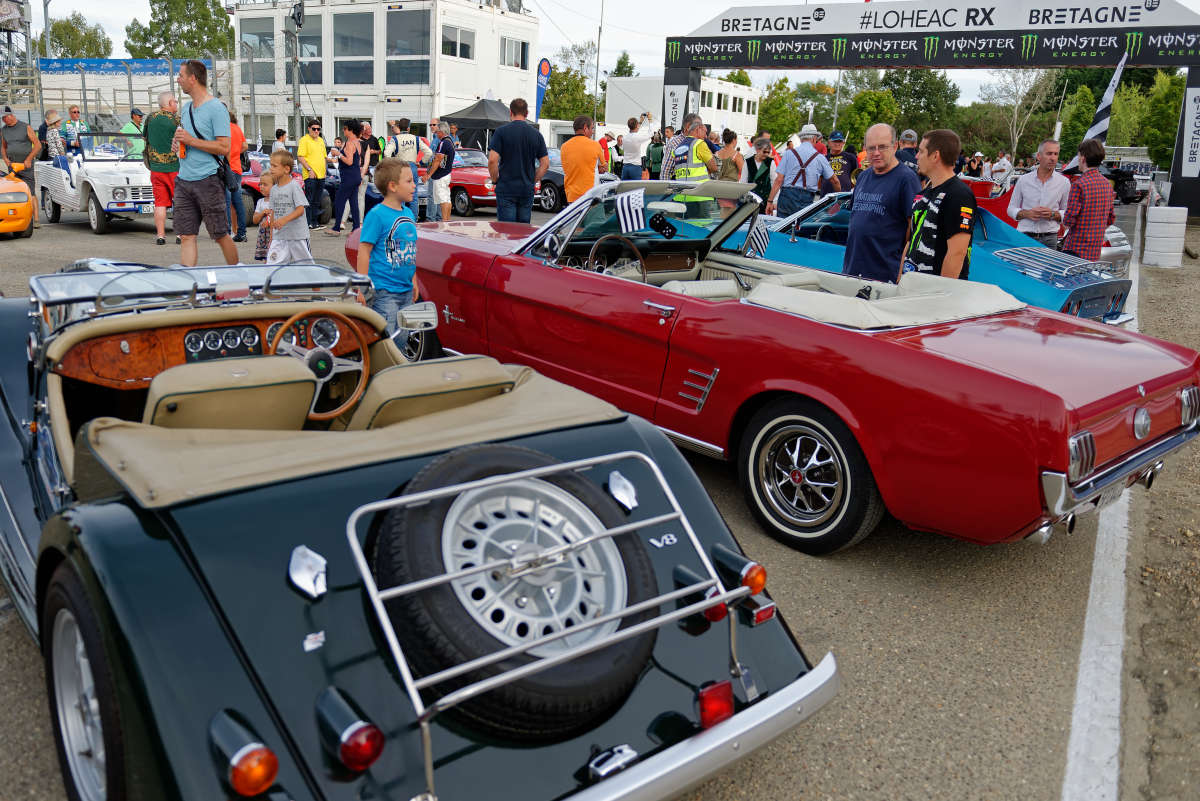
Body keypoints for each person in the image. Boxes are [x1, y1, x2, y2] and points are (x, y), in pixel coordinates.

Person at [172, 60, 239, 267]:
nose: (178, 79)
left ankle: (238, 275)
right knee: (186, 235)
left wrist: (191, 141)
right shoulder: (186, 109)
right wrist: (177, 143)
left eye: (181, 75)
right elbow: (186, 137)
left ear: (193, 78)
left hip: (208, 180)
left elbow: (224, 148)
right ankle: (186, 285)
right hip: (184, 180)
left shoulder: (216, 108)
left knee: (220, 234)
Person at [842, 124, 922, 283]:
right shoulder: (863, 177)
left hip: (884, 277)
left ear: (895, 146)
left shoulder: (907, 180)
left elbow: (913, 231)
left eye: (883, 147)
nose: (876, 153)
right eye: (871, 148)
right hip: (852, 272)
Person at [904, 129, 976, 279]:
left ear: (935, 155)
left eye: (921, 152)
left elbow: (957, 253)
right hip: (911, 287)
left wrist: (939, 294)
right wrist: (900, 280)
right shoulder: (924, 192)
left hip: (935, 294)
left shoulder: (959, 195)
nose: (916, 156)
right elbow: (911, 242)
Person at [357, 159, 418, 335]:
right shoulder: (377, 215)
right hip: (384, 292)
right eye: (409, 181)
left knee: (404, 336)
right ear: (392, 186)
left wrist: (414, 280)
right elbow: (364, 252)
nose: (415, 185)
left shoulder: (408, 214)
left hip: (406, 290)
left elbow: (411, 251)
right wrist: (361, 288)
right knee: (386, 338)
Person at [487, 98, 549, 223]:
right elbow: (545, 164)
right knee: (523, 232)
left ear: (510, 112)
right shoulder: (536, 134)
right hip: (526, 189)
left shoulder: (501, 132)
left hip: (506, 188)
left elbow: (492, 160)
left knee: (507, 230)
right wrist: (533, 180)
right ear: (526, 113)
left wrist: (495, 180)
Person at [1007, 139, 1070, 247]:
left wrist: (1053, 214)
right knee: (1021, 265)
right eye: (1049, 153)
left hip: (1050, 238)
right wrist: (1027, 214)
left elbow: (1068, 212)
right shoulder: (1024, 180)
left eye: (1056, 154)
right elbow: (1011, 209)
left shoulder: (1064, 182)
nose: (1053, 158)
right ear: (1039, 156)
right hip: (1024, 236)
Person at [1061, 138, 1115, 262]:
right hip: (1094, 250)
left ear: (1083, 158)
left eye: (1078, 156)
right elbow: (1110, 218)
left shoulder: (1079, 185)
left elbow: (1069, 220)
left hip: (1076, 248)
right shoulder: (1107, 184)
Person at [767, 123, 836, 216]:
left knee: (782, 228)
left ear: (800, 139)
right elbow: (835, 181)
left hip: (787, 196)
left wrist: (770, 201)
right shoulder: (820, 158)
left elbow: (779, 180)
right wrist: (838, 198)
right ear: (815, 139)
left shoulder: (788, 154)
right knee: (801, 228)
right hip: (806, 197)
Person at [143, 91, 180, 245]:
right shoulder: (176, 120)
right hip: (174, 167)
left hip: (155, 168)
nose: (177, 104)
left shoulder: (150, 117)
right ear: (170, 103)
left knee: (160, 203)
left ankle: (160, 235)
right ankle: (179, 234)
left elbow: (145, 137)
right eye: (175, 101)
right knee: (179, 201)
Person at [263, 150, 312, 263]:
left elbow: (300, 209)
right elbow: (272, 213)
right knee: (272, 267)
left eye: (274, 166)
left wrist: (284, 220)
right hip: (279, 237)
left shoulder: (294, 186)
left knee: (306, 268)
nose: (271, 169)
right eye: (271, 165)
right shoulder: (274, 190)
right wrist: (271, 237)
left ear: (286, 169)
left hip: (297, 236)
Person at [385, 118, 432, 221]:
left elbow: (386, 154)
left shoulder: (395, 139)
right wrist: (421, 162)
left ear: (399, 127)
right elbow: (429, 152)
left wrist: (394, 163)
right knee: (414, 195)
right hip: (412, 166)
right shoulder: (416, 138)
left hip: (401, 166)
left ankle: (401, 218)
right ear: (408, 128)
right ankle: (413, 220)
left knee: (400, 194)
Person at [2, 105, 41, 228]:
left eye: (5, 117)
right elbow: (3, 147)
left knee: (31, 191)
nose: (3, 120)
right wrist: (6, 160)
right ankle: (14, 217)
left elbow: (38, 145)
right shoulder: (4, 130)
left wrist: (29, 159)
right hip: (12, 166)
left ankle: (36, 220)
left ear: (11, 115)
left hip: (26, 166)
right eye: (2, 118)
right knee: (12, 192)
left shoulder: (25, 127)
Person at [325, 119, 363, 236]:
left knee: (339, 200)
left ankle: (336, 228)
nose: (343, 130)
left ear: (350, 130)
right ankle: (356, 229)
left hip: (348, 177)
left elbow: (349, 161)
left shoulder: (350, 143)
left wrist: (338, 154)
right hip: (355, 175)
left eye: (345, 128)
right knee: (353, 203)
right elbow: (358, 160)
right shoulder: (357, 142)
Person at [560, 115, 605, 203]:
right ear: (585, 128)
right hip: (590, 195)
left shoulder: (564, 146)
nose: (592, 132)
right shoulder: (595, 145)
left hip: (571, 196)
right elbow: (603, 168)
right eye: (591, 128)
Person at [296, 119, 327, 230]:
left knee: (317, 200)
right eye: (314, 129)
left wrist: (324, 171)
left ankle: (315, 222)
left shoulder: (321, 141)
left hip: (321, 175)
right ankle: (308, 222)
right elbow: (300, 156)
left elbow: (324, 157)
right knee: (309, 199)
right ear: (309, 128)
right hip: (310, 175)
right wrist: (309, 169)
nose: (316, 131)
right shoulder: (304, 140)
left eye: (318, 129)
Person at [226, 109, 248, 242]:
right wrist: (235, 153)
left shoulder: (221, 129)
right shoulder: (236, 128)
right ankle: (242, 232)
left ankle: (227, 232)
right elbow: (245, 145)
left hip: (225, 169)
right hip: (237, 169)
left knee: (226, 201)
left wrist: (228, 154)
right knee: (238, 201)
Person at [428, 120, 455, 221]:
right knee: (447, 199)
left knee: (442, 200)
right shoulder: (450, 141)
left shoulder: (444, 142)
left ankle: (444, 222)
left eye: (437, 132)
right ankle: (447, 221)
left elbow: (438, 160)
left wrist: (429, 174)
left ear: (441, 132)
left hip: (441, 176)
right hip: (446, 173)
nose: (436, 133)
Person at [715, 129, 745, 217]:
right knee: (730, 214)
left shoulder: (717, 153)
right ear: (734, 140)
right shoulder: (736, 155)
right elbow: (743, 172)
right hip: (731, 187)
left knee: (720, 211)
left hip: (718, 186)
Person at [743, 137, 777, 212]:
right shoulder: (747, 162)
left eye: (768, 152)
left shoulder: (771, 162)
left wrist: (774, 201)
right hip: (751, 201)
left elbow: (775, 182)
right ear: (757, 149)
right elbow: (743, 181)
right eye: (764, 152)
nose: (766, 154)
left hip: (765, 201)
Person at [660, 115, 698, 179]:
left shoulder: (699, 142)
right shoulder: (674, 143)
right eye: (698, 127)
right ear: (688, 127)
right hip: (680, 185)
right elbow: (666, 170)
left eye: (667, 132)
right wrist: (665, 188)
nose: (665, 134)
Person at [620, 114, 651, 181]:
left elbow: (633, 131)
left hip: (625, 166)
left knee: (625, 189)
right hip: (635, 166)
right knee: (636, 189)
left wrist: (640, 122)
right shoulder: (637, 137)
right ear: (636, 126)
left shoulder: (624, 138)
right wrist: (650, 120)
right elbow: (650, 134)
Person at [822, 130, 854, 196]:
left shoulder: (850, 158)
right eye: (834, 141)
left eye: (840, 141)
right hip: (826, 197)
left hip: (844, 196)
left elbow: (854, 177)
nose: (837, 144)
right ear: (829, 142)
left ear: (843, 143)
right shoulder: (823, 158)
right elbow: (819, 179)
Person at [251, 169, 274, 261]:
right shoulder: (260, 202)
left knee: (274, 255)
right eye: (260, 184)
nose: (261, 187)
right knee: (265, 257)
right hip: (263, 235)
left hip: (274, 234)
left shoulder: (277, 201)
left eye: (265, 184)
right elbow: (255, 220)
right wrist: (262, 213)